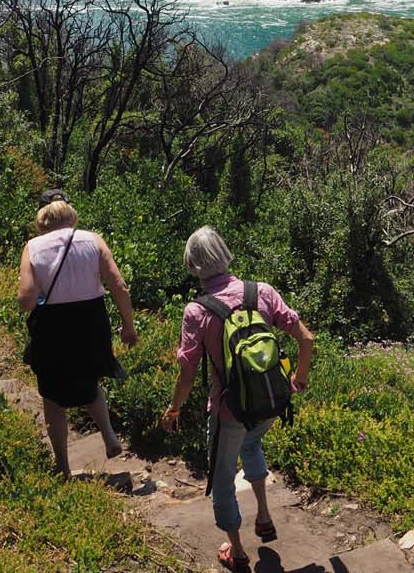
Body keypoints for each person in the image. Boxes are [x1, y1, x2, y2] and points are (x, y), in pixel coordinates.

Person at [161, 226, 314, 573]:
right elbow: (306, 338)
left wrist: (175, 408)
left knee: (222, 478)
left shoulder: (196, 311)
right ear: (226, 253)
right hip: (271, 400)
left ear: (193, 266)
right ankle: (262, 512)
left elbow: (186, 374)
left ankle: (238, 549)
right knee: (253, 445)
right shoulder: (261, 291)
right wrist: (298, 379)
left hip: (230, 409)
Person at [17, 188, 138, 477]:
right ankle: (109, 437)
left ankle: (62, 464)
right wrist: (129, 326)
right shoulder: (92, 240)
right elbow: (119, 286)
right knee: (88, 378)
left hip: (53, 326)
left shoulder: (33, 247)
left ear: (42, 217)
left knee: (52, 394)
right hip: (91, 321)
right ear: (70, 212)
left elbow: (26, 301)